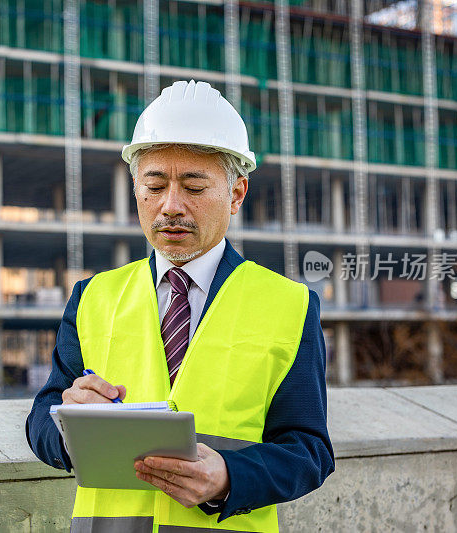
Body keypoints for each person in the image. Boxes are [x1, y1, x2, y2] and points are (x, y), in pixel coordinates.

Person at [26, 80, 334, 532]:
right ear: (136, 189)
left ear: (236, 194)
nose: (170, 206)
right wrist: (68, 431)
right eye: (154, 185)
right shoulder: (92, 297)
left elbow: (309, 451)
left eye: (193, 187)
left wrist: (230, 477)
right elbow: (42, 415)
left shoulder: (290, 305)